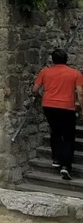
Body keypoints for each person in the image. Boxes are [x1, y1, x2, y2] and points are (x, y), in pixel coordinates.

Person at [33, 48, 83, 180]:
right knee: (68, 136)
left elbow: (35, 89)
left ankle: (56, 158)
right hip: (67, 107)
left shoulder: (45, 72)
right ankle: (66, 166)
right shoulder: (75, 73)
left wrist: (39, 96)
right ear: (66, 59)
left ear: (53, 60)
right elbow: (80, 93)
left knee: (55, 132)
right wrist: (81, 109)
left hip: (49, 106)